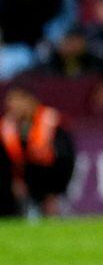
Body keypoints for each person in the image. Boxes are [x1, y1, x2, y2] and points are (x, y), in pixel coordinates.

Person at [0, 81, 76, 217]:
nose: (11, 105)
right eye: (10, 100)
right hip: (15, 190)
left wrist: (55, 191)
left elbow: (66, 160)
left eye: (17, 99)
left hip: (49, 186)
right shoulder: (6, 128)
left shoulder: (52, 124)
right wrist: (13, 183)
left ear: (31, 101)